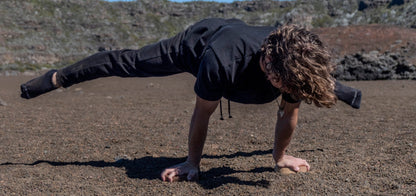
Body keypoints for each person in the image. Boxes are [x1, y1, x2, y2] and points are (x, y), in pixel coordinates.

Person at [20, 18, 361, 182]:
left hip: (252, 46)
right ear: (269, 64)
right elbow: (202, 114)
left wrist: (280, 156)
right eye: (283, 82)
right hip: (196, 47)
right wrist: (192, 163)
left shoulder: (290, 66)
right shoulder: (220, 62)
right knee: (129, 62)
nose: (286, 89)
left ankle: (336, 87)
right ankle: (58, 76)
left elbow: (288, 112)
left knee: (315, 85)